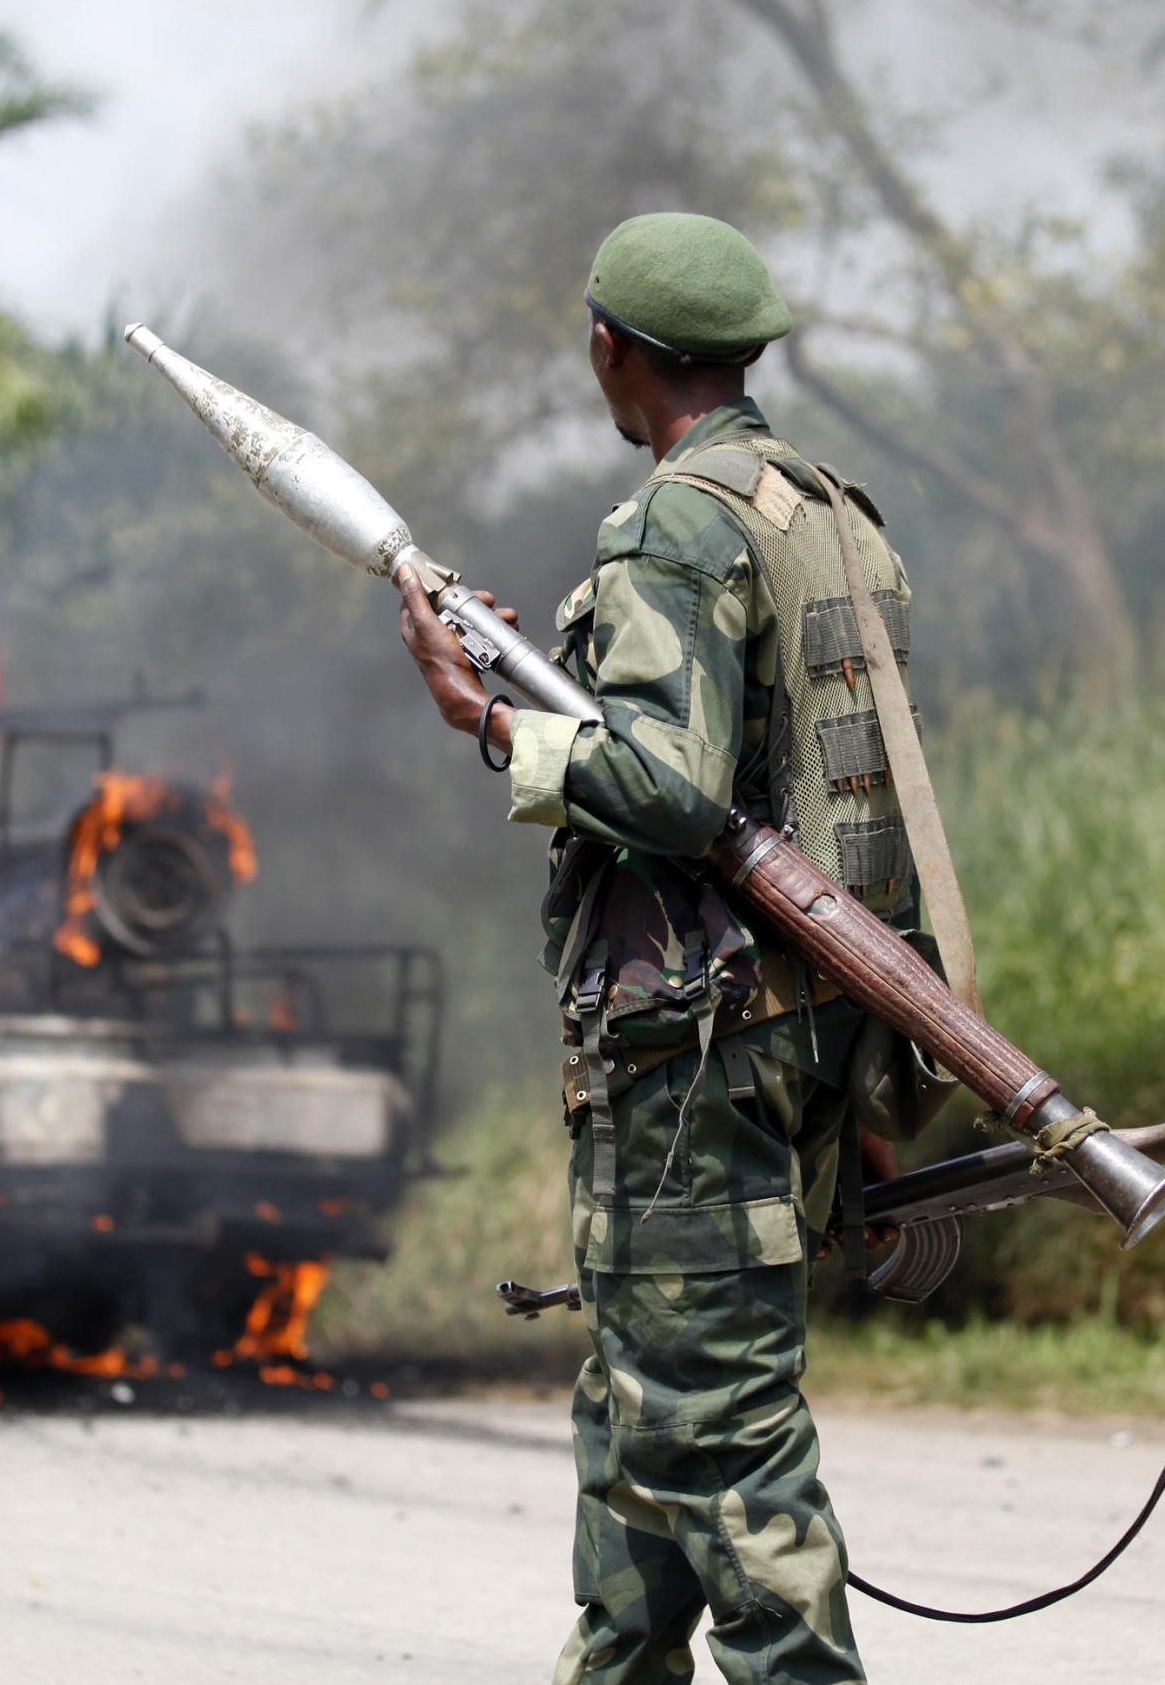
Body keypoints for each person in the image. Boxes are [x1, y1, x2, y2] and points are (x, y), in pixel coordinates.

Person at [397, 213, 952, 1684]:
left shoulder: (672, 524)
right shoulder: (834, 515)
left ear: (610, 349)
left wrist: (494, 720)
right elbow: (852, 811)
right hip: (805, 1034)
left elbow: (674, 789)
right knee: (637, 1437)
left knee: (720, 1442)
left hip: (693, 1066)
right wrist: (871, 1079)